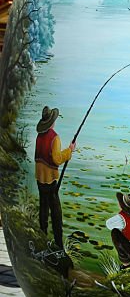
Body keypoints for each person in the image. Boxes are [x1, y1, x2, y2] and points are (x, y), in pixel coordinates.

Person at [35, 106, 76, 249]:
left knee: (43, 208)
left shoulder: (39, 136)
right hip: (50, 180)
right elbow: (57, 159)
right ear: (52, 122)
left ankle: (42, 235)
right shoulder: (55, 137)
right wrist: (69, 150)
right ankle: (59, 244)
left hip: (39, 178)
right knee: (56, 213)